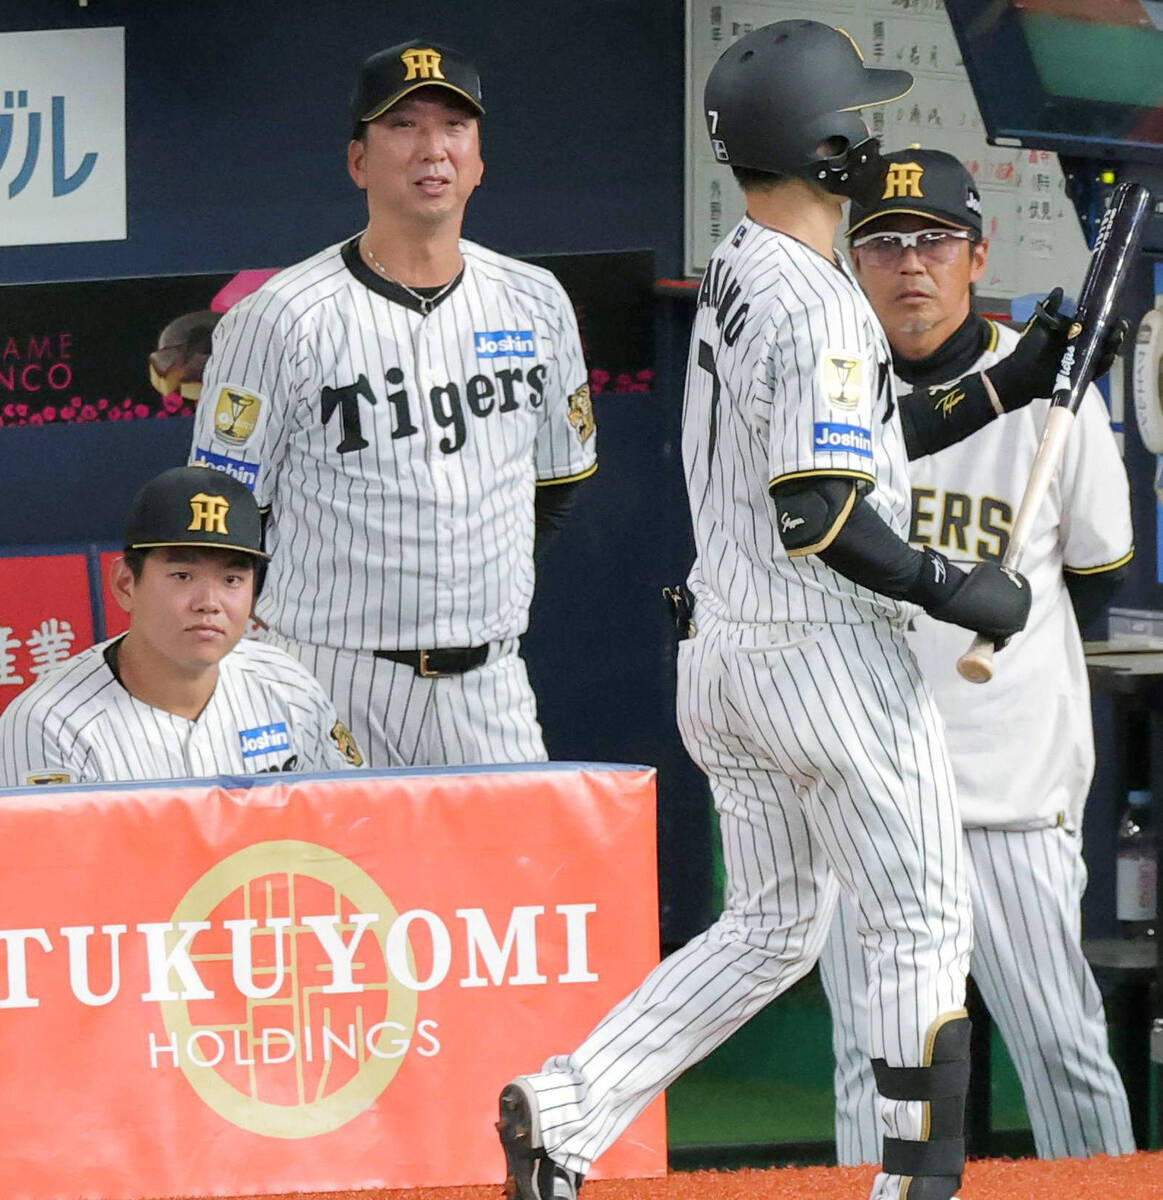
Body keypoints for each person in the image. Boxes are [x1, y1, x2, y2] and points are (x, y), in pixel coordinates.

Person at [495, 23, 1074, 1200]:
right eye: (854, 115)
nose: (871, 128)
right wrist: (951, 587)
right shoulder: (815, 301)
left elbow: (852, 444)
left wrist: (1001, 385)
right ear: (824, 143)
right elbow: (821, 506)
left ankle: (564, 1108)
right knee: (918, 916)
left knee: (770, 927)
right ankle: (918, 1182)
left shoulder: (740, 266)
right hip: (823, 658)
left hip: (726, 657)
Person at [818, 147, 1136, 1161]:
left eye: (933, 240)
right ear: (848, 260)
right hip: (863, 787)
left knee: (1059, 1043)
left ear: (974, 252)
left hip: (1006, 790)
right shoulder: (820, 398)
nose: (910, 263)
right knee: (872, 1061)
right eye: (882, 242)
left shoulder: (1057, 398)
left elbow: (1099, 567)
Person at [189, 38, 596, 768]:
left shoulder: (536, 302)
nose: (432, 149)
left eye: (453, 127)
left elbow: (558, 484)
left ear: (478, 160)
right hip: (327, 673)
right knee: (329, 881)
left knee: (509, 877)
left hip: (488, 684)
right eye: (403, 126)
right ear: (358, 162)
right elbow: (225, 510)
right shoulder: (280, 316)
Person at [0, 466, 363, 786]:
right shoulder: (49, 725)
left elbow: (351, 820)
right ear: (127, 584)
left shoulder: (287, 685)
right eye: (183, 575)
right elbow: (45, 864)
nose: (209, 602)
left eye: (232, 579)